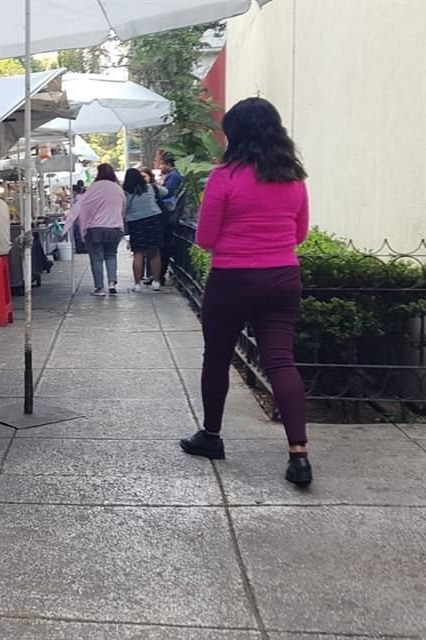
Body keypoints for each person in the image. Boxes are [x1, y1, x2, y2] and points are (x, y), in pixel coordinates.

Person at [178, 97, 312, 486]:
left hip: (232, 278)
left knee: (217, 357)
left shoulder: (225, 177)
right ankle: (299, 454)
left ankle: (212, 436)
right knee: (281, 361)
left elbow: (204, 238)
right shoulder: (294, 177)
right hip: (283, 277)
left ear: (233, 135)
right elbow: (299, 234)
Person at [65, 163, 125, 296]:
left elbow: (83, 206)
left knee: (97, 258)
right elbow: (123, 208)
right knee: (111, 255)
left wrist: (80, 227)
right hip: (115, 228)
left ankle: (100, 288)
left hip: (95, 229)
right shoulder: (118, 188)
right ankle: (112, 283)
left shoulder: (94, 188)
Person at [122, 168, 165, 292]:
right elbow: (166, 192)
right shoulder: (151, 187)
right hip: (153, 220)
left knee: (138, 253)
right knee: (155, 252)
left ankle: (137, 284)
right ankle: (156, 282)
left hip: (135, 223)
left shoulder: (125, 192)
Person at [70, 180, 87, 254]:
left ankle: (80, 248)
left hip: (78, 218)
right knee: (80, 233)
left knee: (78, 234)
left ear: (74, 191)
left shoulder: (77, 198)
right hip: (81, 217)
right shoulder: (81, 197)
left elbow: (76, 208)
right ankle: (81, 248)